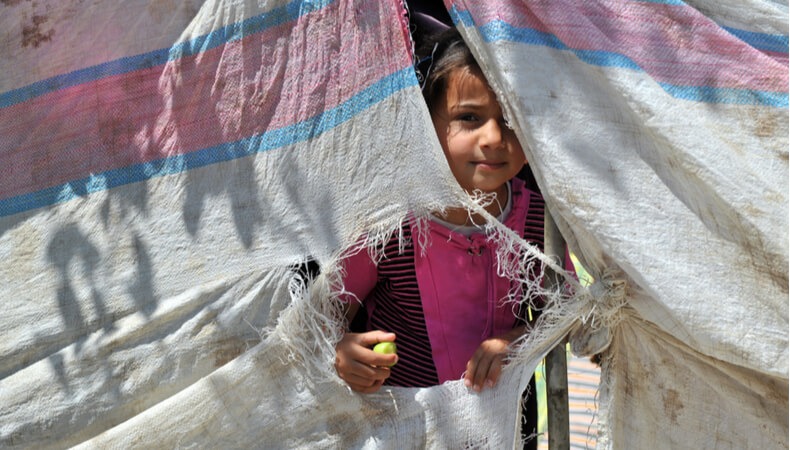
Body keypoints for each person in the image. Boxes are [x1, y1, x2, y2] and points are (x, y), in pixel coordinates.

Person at [334, 27, 544, 424]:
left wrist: (517, 342)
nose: (495, 138)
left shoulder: (534, 218)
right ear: (425, 123)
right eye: (469, 117)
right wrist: (342, 351)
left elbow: (563, 316)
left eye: (512, 118)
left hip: (503, 427)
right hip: (400, 426)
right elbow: (328, 310)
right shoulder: (390, 225)